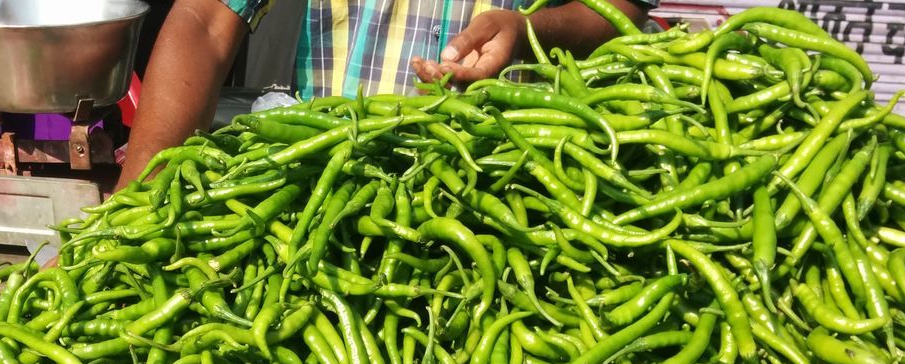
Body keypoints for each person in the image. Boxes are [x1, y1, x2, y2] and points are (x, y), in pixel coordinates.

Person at [119, 0, 651, 186]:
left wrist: (531, 31)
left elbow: (618, 7)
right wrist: (138, 199)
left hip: (502, 176)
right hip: (324, 185)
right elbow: (207, 20)